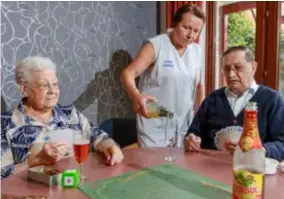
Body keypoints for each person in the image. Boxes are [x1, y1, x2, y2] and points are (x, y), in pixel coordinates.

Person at [1, 56, 124, 179]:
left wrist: (110, 147)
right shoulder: (5, 123)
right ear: (24, 89)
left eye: (55, 84)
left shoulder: (70, 114)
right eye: (44, 86)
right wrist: (33, 162)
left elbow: (98, 136)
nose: (52, 91)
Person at [121, 4, 206, 147]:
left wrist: (199, 119)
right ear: (175, 23)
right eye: (186, 27)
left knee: (179, 168)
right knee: (154, 168)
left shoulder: (197, 51)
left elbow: (198, 86)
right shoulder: (156, 45)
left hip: (183, 126)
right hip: (155, 122)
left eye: (196, 31)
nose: (190, 35)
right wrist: (137, 97)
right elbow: (128, 73)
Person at [184, 46, 284, 161]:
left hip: (251, 171)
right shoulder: (212, 99)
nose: (231, 74)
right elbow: (193, 132)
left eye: (238, 68)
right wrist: (190, 139)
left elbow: (282, 144)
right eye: (227, 69)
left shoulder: (272, 99)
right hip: (209, 170)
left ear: (253, 67)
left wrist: (259, 150)